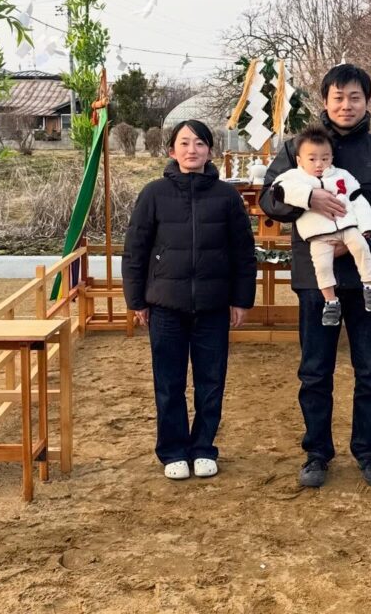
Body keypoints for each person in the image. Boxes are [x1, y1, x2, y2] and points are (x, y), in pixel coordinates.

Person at [261, 64, 371, 489]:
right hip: (316, 277)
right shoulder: (297, 149)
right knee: (314, 370)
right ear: (325, 100)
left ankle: (368, 452)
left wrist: (364, 238)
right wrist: (308, 196)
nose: (346, 105)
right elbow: (268, 200)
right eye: (337, 97)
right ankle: (316, 453)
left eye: (354, 97)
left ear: (367, 101)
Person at [122, 119, 257, 481]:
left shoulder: (227, 197)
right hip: (166, 305)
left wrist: (242, 299)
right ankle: (173, 450)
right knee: (169, 381)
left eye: (199, 143)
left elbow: (244, 252)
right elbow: (135, 251)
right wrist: (137, 300)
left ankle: (203, 448)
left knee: (211, 381)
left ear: (210, 151)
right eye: (184, 143)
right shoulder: (153, 194)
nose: (192, 150)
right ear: (171, 151)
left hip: (214, 305)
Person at [270, 124, 371, 326]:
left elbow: (358, 200)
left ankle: (370, 285)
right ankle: (330, 300)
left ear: (331, 157)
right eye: (312, 159)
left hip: (348, 227)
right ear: (299, 160)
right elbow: (277, 190)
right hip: (318, 235)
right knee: (321, 267)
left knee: (361, 247)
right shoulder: (295, 177)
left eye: (325, 158)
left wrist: (367, 228)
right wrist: (309, 196)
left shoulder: (341, 176)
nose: (319, 164)